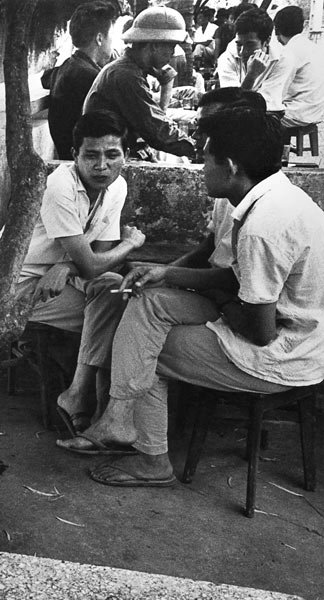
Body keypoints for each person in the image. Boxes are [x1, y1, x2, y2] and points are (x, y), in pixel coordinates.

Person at [74, 107, 324, 487]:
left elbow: (260, 331)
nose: (201, 166)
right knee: (148, 300)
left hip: (284, 352)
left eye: (205, 159)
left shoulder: (263, 226)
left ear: (230, 166)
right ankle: (118, 418)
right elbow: (231, 274)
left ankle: (152, 458)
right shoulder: (270, 194)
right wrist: (168, 274)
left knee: (147, 350)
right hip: (255, 315)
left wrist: (220, 297)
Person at [57, 87, 267, 447]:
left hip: (239, 311)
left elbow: (241, 288)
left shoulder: (261, 210)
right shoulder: (231, 192)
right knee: (130, 294)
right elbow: (208, 249)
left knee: (141, 323)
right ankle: (100, 409)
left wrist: (167, 273)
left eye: (212, 128)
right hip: (216, 295)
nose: (203, 138)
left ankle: (125, 426)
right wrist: (162, 273)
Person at [12, 110, 144, 433]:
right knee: (122, 310)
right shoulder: (60, 187)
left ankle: (81, 396)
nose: (102, 166)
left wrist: (65, 265)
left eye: (112, 155)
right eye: (92, 155)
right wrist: (131, 243)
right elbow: (95, 262)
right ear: (74, 156)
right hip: (24, 288)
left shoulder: (117, 188)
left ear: (125, 156)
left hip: (63, 281)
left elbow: (99, 257)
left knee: (117, 291)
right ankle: (93, 405)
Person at [84, 6, 195, 159]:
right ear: (155, 45)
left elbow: (155, 120)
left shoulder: (133, 68)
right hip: (104, 158)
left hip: (119, 149)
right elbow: (157, 132)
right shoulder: (126, 75)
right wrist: (196, 148)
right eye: (171, 46)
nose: (173, 53)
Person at [46, 1, 119, 160]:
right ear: (100, 38)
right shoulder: (90, 77)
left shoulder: (68, 66)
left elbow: (45, 78)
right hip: (84, 162)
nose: (112, 45)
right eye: (111, 37)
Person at [215, 8, 295, 119]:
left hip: (268, 115)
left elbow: (268, 105)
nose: (242, 51)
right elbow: (233, 103)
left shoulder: (283, 59)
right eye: (239, 44)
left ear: (266, 41)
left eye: (250, 45)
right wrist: (251, 77)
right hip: (235, 116)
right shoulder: (226, 58)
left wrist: (251, 77)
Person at [274, 6, 324, 130]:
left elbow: (278, 91)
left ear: (276, 30)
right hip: (316, 110)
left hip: (298, 114)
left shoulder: (289, 52)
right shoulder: (312, 47)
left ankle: (276, 149)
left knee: (257, 118)